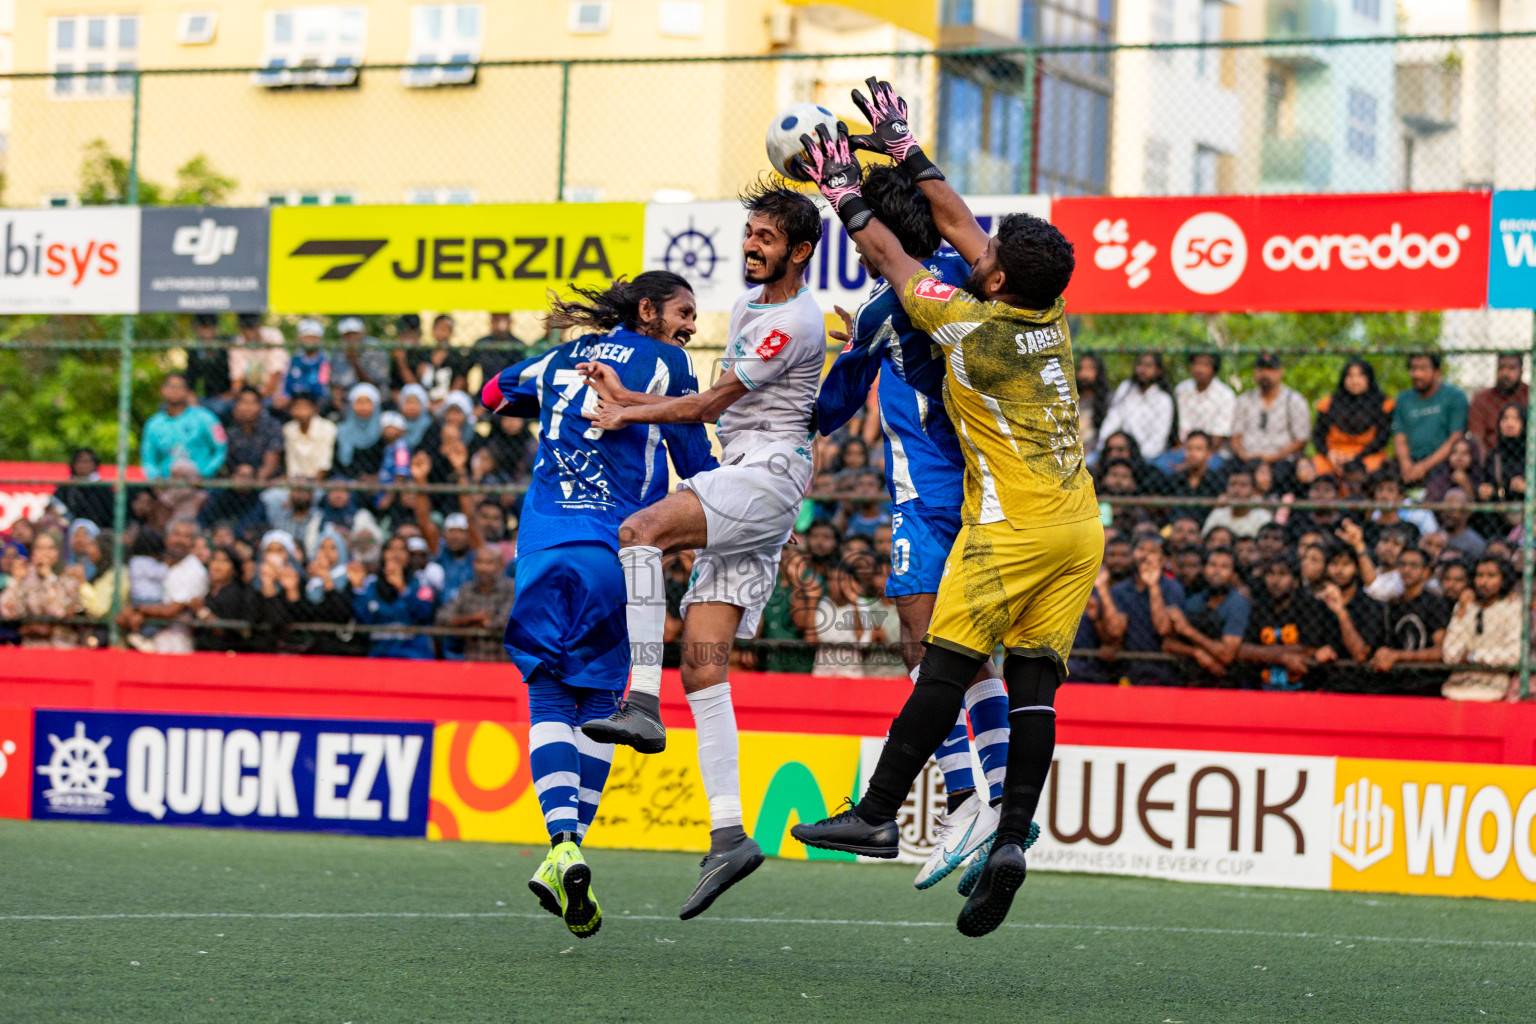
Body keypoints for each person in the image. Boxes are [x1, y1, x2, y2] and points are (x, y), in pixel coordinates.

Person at [784, 81, 1102, 938]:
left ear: (995, 280)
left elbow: (893, 261)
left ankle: (880, 810)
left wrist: (843, 190)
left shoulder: (970, 325)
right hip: (1080, 525)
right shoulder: (1047, 311)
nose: (978, 245)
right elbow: (961, 230)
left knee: (943, 667)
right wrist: (906, 145)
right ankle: (1009, 841)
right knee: (1034, 685)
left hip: (1012, 528)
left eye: (990, 252)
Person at [576, 184, 824, 919]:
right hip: (745, 478)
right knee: (705, 664)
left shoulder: (795, 321)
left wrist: (627, 407)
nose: (752, 245)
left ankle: (640, 702)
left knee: (638, 532)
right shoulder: (751, 308)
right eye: (750, 232)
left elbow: (710, 404)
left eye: (767, 237)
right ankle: (729, 835)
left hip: (765, 479)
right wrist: (638, 404)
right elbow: (720, 402)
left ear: (799, 252)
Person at [482, 270, 716, 934]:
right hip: (612, 550)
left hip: (539, 549)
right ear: (648, 311)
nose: (691, 325)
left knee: (549, 698)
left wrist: (545, 403)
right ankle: (567, 848)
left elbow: (492, 392)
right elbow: (695, 457)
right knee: (605, 708)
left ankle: (563, 846)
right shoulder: (669, 364)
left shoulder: (560, 357)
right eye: (684, 312)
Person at [811, 161, 1012, 888]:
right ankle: (988, 799)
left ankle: (967, 798)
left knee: (921, 647)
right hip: (990, 492)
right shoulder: (974, 277)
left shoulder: (880, 312)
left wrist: (838, 360)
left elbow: (829, 412)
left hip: (925, 499)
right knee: (970, 654)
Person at [1238, 555, 1341, 691]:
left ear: (1295, 582)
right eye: (1271, 574)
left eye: (1283, 574)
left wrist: (1261, 653)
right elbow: (1242, 650)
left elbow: (1306, 649)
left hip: (1305, 691)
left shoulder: (1311, 608)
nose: (1275, 580)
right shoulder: (1258, 609)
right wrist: (1283, 657)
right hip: (1261, 690)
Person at [1102, 536, 1183, 686]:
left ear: (1163, 559)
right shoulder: (1121, 590)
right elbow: (1116, 630)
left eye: (1152, 551)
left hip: (1164, 667)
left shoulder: (1172, 588)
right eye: (1140, 550)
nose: (1145, 555)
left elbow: (1164, 629)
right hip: (1128, 667)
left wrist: (1153, 586)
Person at [1165, 546, 1249, 685]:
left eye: (1224, 567)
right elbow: (1168, 644)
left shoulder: (1238, 603)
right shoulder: (1194, 601)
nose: (1216, 571)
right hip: (1190, 679)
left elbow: (1226, 654)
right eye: (1212, 565)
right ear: (1204, 569)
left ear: (1233, 574)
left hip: (1227, 681)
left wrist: (1189, 631)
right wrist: (1196, 653)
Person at [1367, 546, 1449, 688]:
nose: (1407, 570)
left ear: (1426, 572)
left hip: (1428, 682)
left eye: (1413, 566)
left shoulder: (1435, 604)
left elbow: (1440, 652)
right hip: (1395, 681)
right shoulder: (1392, 605)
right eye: (1403, 565)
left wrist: (1398, 656)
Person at [1441, 556, 1520, 702]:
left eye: (1491, 575)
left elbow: (1513, 655)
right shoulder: (1465, 605)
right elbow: (1450, 654)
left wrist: (1473, 657)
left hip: (1495, 687)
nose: (1484, 582)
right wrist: (1462, 613)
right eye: (1479, 575)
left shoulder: (1513, 606)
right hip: (1457, 685)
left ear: (1503, 578)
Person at [347, 535, 436, 660]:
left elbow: (424, 614)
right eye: (391, 549)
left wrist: (403, 589)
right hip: (379, 653)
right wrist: (358, 590)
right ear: (383, 554)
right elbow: (364, 621)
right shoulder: (371, 584)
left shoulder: (421, 582)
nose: (396, 554)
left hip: (413, 653)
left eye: (401, 549)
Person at [1393, 353, 1468, 485]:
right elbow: (1399, 437)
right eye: (1413, 369)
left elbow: (1456, 437)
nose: (1417, 374)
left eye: (1423, 369)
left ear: (1437, 372)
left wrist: (1424, 466)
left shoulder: (1455, 397)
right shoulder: (1403, 399)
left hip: (1441, 462)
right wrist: (1406, 465)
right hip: (1409, 462)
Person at [0, 531, 85, 648]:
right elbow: (8, 611)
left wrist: (49, 577)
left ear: (58, 552)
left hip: (61, 646)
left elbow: (59, 612)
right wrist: (16, 581)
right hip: (32, 645)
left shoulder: (69, 579)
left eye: (50, 548)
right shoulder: (27, 578)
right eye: (39, 548)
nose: (44, 553)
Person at [1311, 358, 1393, 476]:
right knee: (1316, 468)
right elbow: (1318, 436)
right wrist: (1329, 453)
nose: (1354, 381)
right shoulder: (1328, 403)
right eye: (1350, 376)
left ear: (1369, 378)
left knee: (1375, 469)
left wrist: (1356, 457)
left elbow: (1382, 439)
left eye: (1360, 376)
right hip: (1334, 455)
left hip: (1367, 455)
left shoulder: (1383, 404)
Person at [434, 545, 516, 662]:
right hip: (472, 663)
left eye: (489, 563)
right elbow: (441, 617)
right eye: (479, 562)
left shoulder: (511, 589)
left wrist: (463, 625)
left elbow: (502, 623)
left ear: (500, 566)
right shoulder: (467, 589)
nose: (483, 568)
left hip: (502, 662)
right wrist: (471, 619)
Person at [1230, 352, 1310, 471]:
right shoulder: (1244, 399)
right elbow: (1235, 437)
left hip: (1282, 461)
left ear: (1280, 372)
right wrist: (1244, 455)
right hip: (1247, 459)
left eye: (1270, 369)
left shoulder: (1293, 400)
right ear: (1255, 372)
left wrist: (1273, 457)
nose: (1265, 374)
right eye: (1261, 369)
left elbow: (1301, 441)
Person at [141, 373, 228, 481]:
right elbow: (148, 459)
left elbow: (221, 449)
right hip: (166, 484)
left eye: (180, 387)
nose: (175, 391)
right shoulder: (153, 424)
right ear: (162, 390)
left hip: (200, 484)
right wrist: (156, 479)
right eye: (171, 386)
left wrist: (205, 474)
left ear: (188, 391)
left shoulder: (205, 417)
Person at [1099, 352, 1176, 460]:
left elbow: (1158, 441)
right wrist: (1105, 447)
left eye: (1148, 366)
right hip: (1117, 450)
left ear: (1159, 371)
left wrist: (1135, 457)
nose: (1142, 370)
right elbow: (1111, 422)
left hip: (1147, 456)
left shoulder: (1163, 400)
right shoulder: (1125, 390)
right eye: (1140, 364)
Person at [1170, 351, 1236, 462]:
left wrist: (1196, 458)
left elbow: (1219, 435)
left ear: (1214, 369)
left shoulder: (1225, 395)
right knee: (1160, 465)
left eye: (1205, 365)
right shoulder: (1181, 390)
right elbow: (1178, 428)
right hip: (1183, 450)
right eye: (1195, 364)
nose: (1199, 369)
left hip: (1214, 453)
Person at [1467, 354, 1527, 451]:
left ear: (1521, 371)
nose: (1505, 373)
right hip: (1492, 458)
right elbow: (1476, 439)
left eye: (1512, 368)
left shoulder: (1530, 396)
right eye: (1501, 368)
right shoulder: (1482, 399)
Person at [228, 313, 290, 402]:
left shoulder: (273, 336)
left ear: (259, 325)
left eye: (252, 327)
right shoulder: (237, 344)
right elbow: (237, 379)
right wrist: (240, 400)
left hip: (276, 393)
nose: (249, 332)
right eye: (245, 328)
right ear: (239, 328)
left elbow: (276, 373)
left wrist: (258, 399)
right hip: (250, 394)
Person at [183, 313, 235, 418]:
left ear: (217, 328)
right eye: (202, 327)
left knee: (220, 408)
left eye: (210, 327)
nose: (206, 332)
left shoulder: (228, 344)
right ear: (196, 329)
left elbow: (239, 375)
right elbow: (190, 378)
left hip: (230, 395)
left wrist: (231, 393)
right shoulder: (195, 351)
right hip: (208, 397)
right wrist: (191, 395)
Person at [1200, 464, 1272, 539]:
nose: (1236, 490)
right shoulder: (1217, 514)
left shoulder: (1262, 517)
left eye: (1243, 485)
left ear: (1253, 490)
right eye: (1233, 484)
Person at [329, 316, 391, 398]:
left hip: (375, 395)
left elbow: (372, 384)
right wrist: (337, 395)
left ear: (362, 333)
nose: (351, 338)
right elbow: (336, 382)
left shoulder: (376, 348)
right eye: (347, 335)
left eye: (354, 333)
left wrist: (354, 360)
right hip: (347, 397)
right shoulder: (338, 350)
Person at [52, 447, 114, 528]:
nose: (84, 465)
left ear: (95, 464)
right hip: (69, 527)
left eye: (88, 461)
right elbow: (56, 507)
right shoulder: (66, 488)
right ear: (74, 464)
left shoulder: (103, 488)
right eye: (81, 461)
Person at [281, 392, 337, 479]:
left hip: (321, 483)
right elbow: (291, 463)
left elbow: (325, 464)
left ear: (315, 409)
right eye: (297, 407)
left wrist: (310, 485)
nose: (301, 411)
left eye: (305, 407)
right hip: (296, 482)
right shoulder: (288, 429)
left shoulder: (327, 428)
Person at [336, 383, 385, 478]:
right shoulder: (342, 431)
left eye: (367, 402)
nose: (363, 407)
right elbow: (339, 465)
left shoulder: (383, 430)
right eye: (359, 402)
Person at [284, 319, 332, 409]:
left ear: (319, 339)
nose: (309, 340)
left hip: (316, 399)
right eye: (306, 337)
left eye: (313, 337)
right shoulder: (295, 358)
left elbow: (322, 384)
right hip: (295, 399)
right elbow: (288, 382)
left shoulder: (325, 359)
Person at [1075, 353, 1111, 456]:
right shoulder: (1070, 399)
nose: (1084, 374)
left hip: (1095, 451)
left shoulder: (1107, 399)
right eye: (1081, 369)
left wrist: (1090, 449)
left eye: (1090, 369)